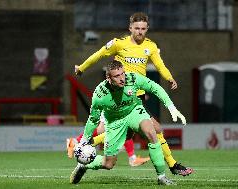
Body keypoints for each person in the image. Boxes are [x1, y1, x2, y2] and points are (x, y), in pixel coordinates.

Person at [72, 12, 193, 176]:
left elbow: (160, 65)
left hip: (137, 94)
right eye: (137, 28)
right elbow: (99, 54)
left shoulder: (150, 46)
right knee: (155, 129)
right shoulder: (118, 44)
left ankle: (82, 147)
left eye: (143, 28)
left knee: (127, 134)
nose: (140, 32)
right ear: (130, 28)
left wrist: (169, 78)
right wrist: (81, 68)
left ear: (147, 28)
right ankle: (173, 165)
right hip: (119, 95)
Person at [70, 60, 186, 185]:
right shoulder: (100, 95)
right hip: (115, 122)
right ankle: (84, 165)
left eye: (122, 74)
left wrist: (171, 107)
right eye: (117, 76)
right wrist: (84, 140)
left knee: (152, 132)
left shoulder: (132, 79)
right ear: (108, 77)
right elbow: (93, 119)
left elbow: (155, 87)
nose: (122, 78)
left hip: (134, 111)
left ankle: (161, 177)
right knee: (108, 164)